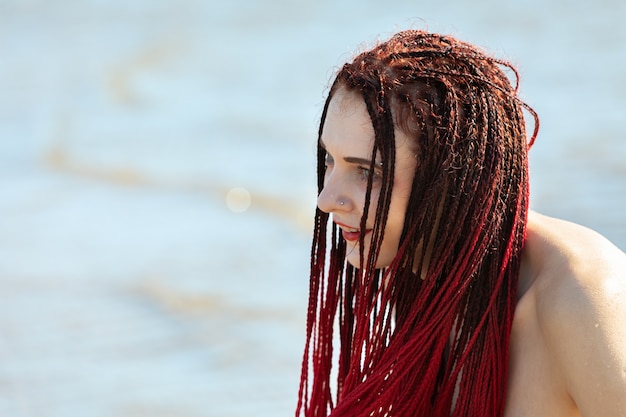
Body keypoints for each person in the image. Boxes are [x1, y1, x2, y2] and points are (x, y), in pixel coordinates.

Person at [295, 30, 626, 417]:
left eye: (368, 173)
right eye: (330, 160)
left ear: (452, 180)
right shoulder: (424, 268)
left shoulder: (582, 301)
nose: (325, 200)